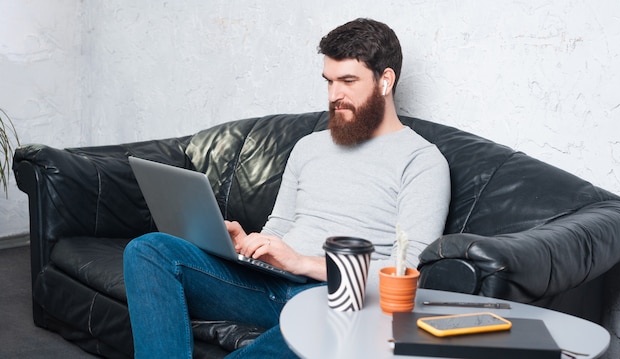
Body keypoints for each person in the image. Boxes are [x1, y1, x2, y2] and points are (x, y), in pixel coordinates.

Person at [123, 18, 451, 358]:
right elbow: (279, 227)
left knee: (324, 331)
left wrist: (302, 263)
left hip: (339, 300)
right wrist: (250, 245)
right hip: (271, 283)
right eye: (329, 81)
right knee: (149, 250)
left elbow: (407, 274)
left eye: (348, 81)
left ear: (385, 81)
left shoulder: (422, 161)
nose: (334, 95)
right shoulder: (309, 146)